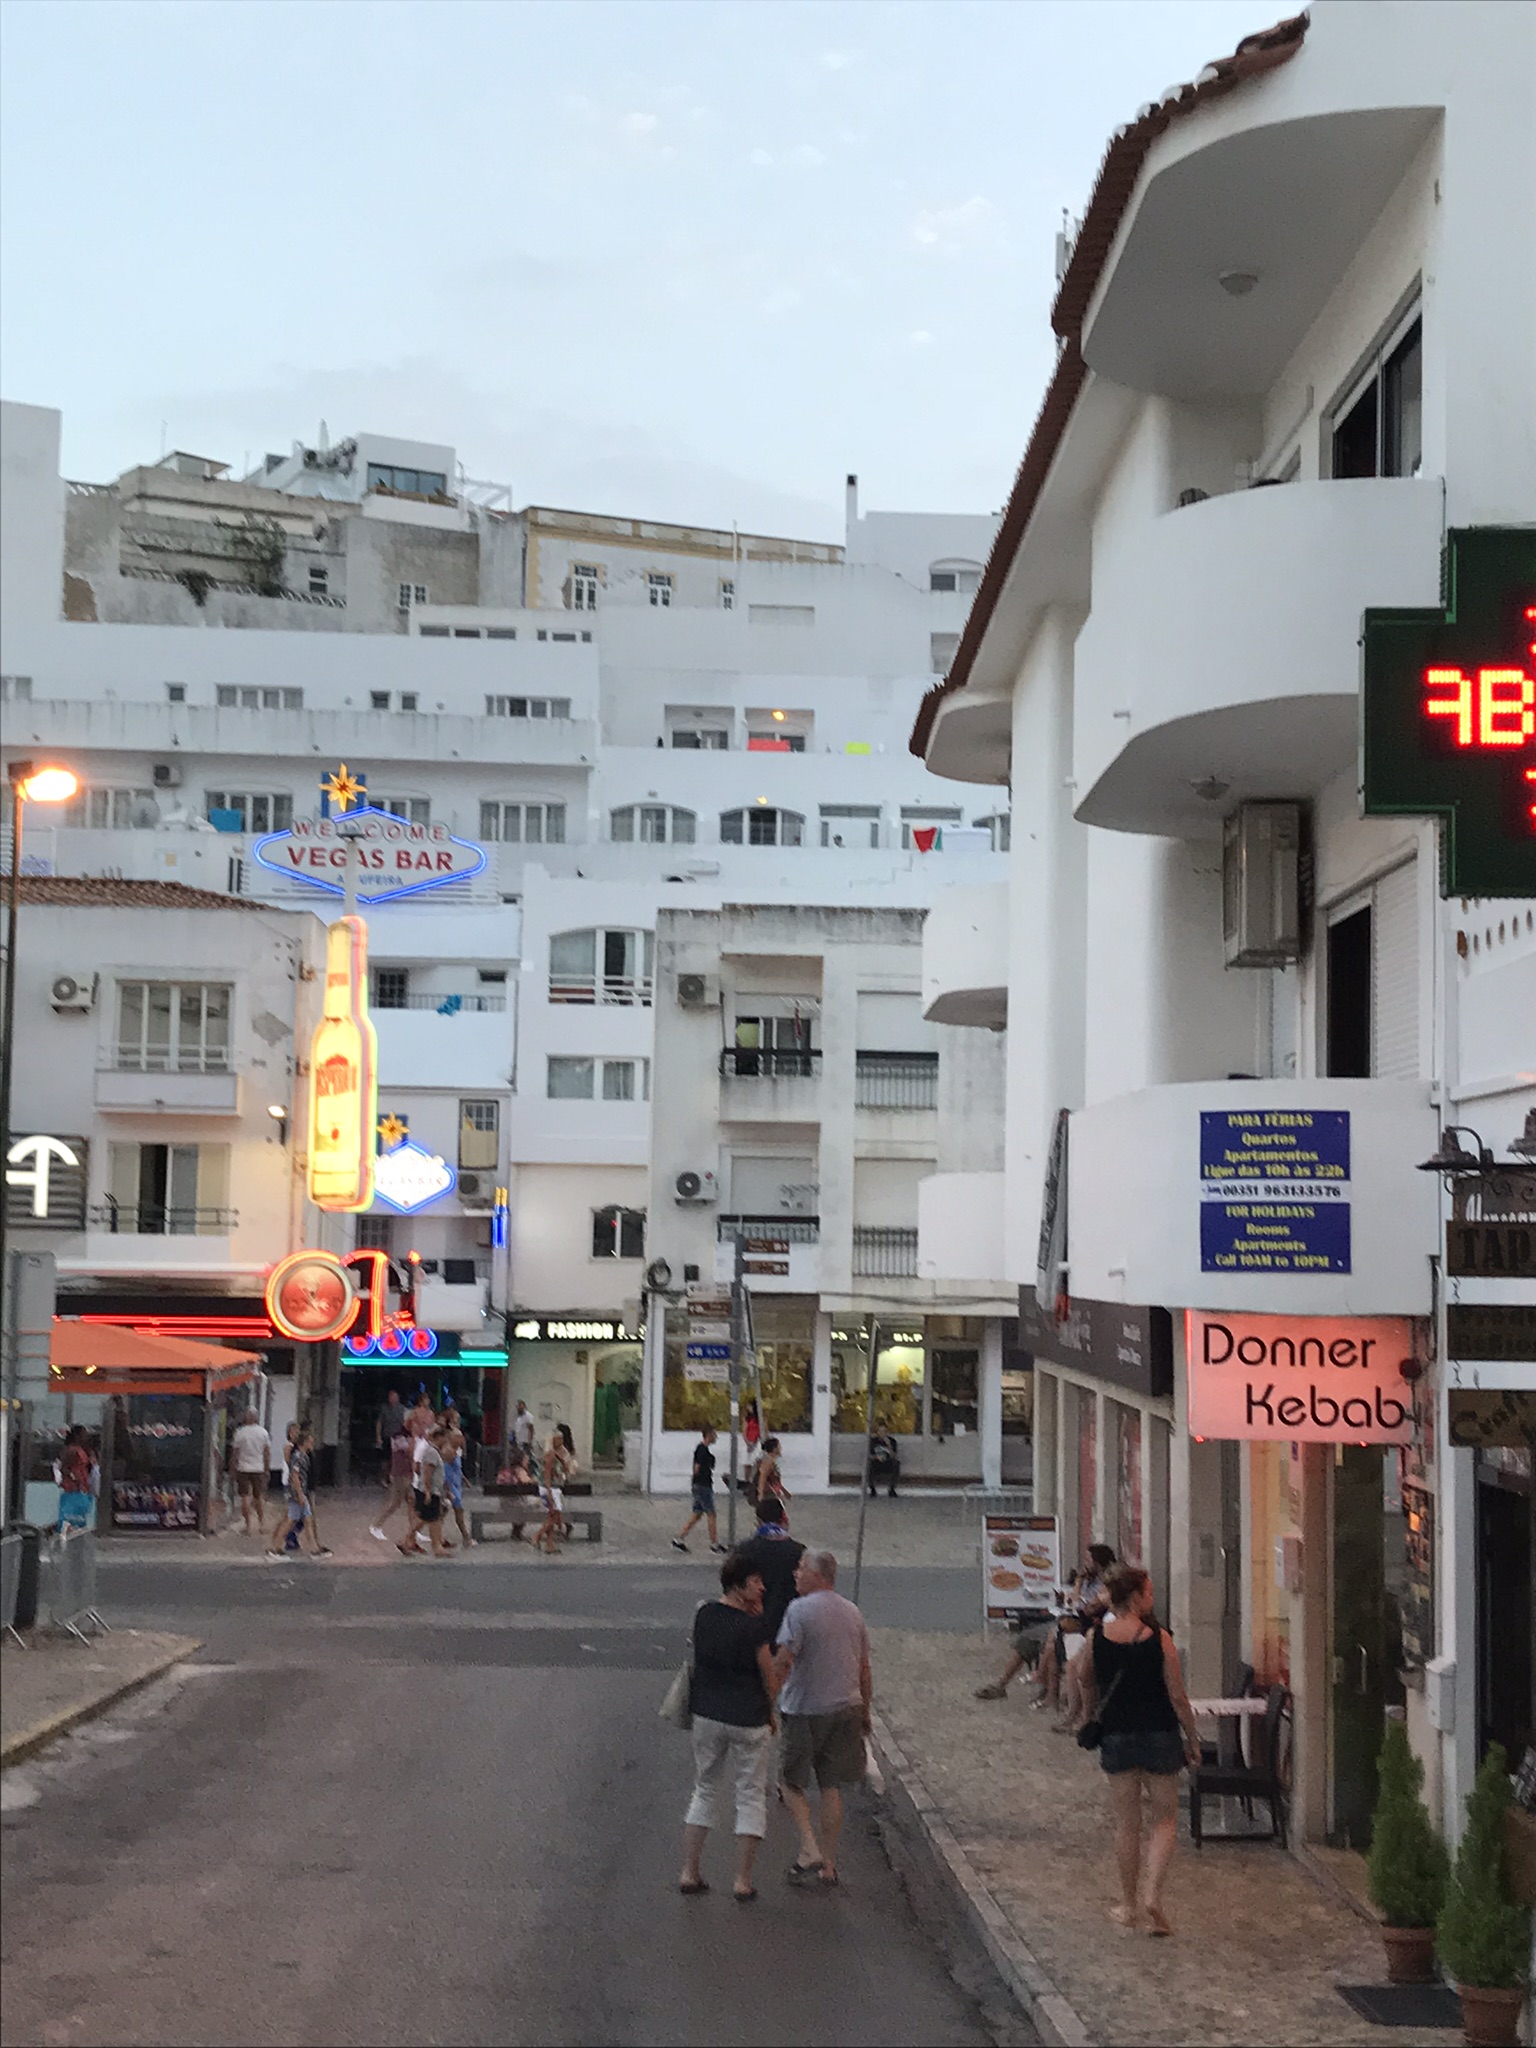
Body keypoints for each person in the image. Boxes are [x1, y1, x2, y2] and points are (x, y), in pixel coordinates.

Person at [1079, 1563, 1202, 1937]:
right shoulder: (1159, 1638)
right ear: (1135, 1597)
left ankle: (1128, 1904)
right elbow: (1178, 1696)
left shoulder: (1097, 1637)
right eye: (1148, 1592)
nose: (1152, 1597)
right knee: (1165, 1818)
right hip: (1160, 1734)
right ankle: (1153, 1896)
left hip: (1116, 1735)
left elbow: (1084, 1678)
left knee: (1127, 1822)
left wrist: (1090, 1713)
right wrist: (1192, 1739)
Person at [679, 1550, 780, 1902]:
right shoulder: (755, 1628)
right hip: (748, 1718)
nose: (762, 1587)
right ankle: (742, 1880)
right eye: (756, 1582)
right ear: (739, 1586)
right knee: (750, 1794)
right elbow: (770, 1676)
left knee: (705, 1788)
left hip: (707, 1713)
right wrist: (771, 1710)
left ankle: (690, 1871)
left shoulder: (704, 1613)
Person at [774, 1550, 872, 1889]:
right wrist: (866, 1710)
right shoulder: (853, 1611)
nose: (795, 1573)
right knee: (831, 1786)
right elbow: (864, 1668)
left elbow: (784, 1659)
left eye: (801, 1568)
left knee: (790, 1781)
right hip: (846, 1707)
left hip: (805, 1709)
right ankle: (829, 1864)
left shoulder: (799, 1610)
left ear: (818, 1575)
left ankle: (809, 1848)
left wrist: (769, 1696)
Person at [975, 1540, 1114, 1707]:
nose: (1085, 1563)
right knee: (1025, 1638)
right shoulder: (1087, 1580)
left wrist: (1077, 1587)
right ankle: (1001, 1684)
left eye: (1088, 1560)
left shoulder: (1104, 1583)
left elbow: (1081, 1604)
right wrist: (1077, 1584)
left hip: (1081, 1624)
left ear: (1098, 1563)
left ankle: (1047, 1689)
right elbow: (1073, 1600)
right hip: (1068, 1618)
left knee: (1049, 1642)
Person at [731, 1496, 805, 1643]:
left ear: (758, 1521)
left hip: (752, 1622)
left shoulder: (744, 1550)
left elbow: (732, 1588)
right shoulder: (799, 1552)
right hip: (787, 1624)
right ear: (784, 1517)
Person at [267, 1427, 327, 1557]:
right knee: (291, 1520)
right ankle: (275, 1546)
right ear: (304, 1442)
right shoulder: (298, 1457)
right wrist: (300, 1494)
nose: (312, 1444)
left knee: (307, 1519)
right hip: (297, 1493)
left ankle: (314, 1548)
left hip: (301, 1492)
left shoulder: (304, 1456)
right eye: (310, 1441)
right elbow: (295, 1476)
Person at [398, 1425, 452, 1559]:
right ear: (439, 1437)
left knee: (427, 1518)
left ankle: (408, 1542)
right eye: (445, 1438)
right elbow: (427, 1472)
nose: (446, 1441)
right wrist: (428, 1491)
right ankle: (436, 1546)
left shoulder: (434, 1452)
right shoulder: (431, 1452)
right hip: (430, 1490)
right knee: (431, 1519)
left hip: (433, 1490)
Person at [673, 1426, 727, 1554]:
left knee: (697, 1514)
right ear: (709, 1435)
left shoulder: (703, 1450)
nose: (716, 1437)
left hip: (700, 1485)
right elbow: (697, 1467)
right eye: (714, 1434)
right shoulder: (702, 1450)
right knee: (711, 1513)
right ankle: (714, 1544)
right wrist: (698, 1479)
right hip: (703, 1485)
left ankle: (679, 1539)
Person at [370, 1399, 417, 1543]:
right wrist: (415, 1438)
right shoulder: (398, 1436)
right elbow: (410, 1451)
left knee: (412, 1500)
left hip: (408, 1473)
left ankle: (414, 1530)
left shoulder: (409, 1436)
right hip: (399, 1474)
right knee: (395, 1502)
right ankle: (376, 1525)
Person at [228, 1409, 271, 1535]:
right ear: (256, 1418)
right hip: (258, 1468)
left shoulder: (240, 1432)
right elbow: (267, 1452)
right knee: (259, 1496)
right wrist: (267, 1469)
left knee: (244, 1497)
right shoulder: (263, 1432)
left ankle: (248, 1526)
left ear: (246, 1418)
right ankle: (262, 1524)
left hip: (243, 1468)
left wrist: (232, 1469)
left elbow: (235, 1453)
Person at [533, 1430, 572, 1556]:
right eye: (558, 1439)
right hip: (549, 1488)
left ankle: (550, 1544)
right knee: (554, 1516)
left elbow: (567, 1469)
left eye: (562, 1438)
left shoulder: (560, 1454)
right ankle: (537, 1535)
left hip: (556, 1487)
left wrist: (563, 1458)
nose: (561, 1441)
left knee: (552, 1516)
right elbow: (547, 1474)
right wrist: (549, 1491)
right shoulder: (550, 1455)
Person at [441, 1406, 473, 1550]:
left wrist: (463, 1478)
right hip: (449, 1482)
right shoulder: (448, 1447)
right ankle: (466, 1537)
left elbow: (457, 1467)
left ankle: (440, 1536)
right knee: (456, 1509)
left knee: (446, 1510)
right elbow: (446, 1467)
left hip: (455, 1480)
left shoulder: (454, 1448)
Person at [57, 1425, 97, 1531]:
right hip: (73, 1487)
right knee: (71, 1513)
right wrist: (75, 1479)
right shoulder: (72, 1450)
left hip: (82, 1485)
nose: (86, 1437)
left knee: (80, 1513)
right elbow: (64, 1468)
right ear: (77, 1436)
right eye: (84, 1434)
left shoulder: (81, 1449)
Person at [751, 1436, 789, 1514]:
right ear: (774, 1449)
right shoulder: (767, 1462)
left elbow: (774, 1480)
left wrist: (784, 1491)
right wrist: (761, 1494)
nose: (780, 1448)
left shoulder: (772, 1462)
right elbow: (762, 1477)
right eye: (779, 1446)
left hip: (773, 1493)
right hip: (768, 1495)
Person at [375, 1389, 406, 1479]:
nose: (393, 1399)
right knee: (385, 1458)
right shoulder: (384, 1409)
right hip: (387, 1436)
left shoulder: (402, 1409)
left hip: (399, 1437)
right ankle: (384, 1476)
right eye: (392, 1397)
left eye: (395, 1397)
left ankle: (394, 1476)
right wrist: (378, 1436)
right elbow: (379, 1423)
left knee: (397, 1458)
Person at [867, 1428, 901, 1500]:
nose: (882, 1433)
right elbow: (869, 1455)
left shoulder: (892, 1441)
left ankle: (892, 1489)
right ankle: (872, 1488)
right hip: (876, 1461)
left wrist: (889, 1445)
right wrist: (876, 1457)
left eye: (884, 1431)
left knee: (896, 1463)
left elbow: (894, 1455)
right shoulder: (873, 1441)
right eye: (880, 1431)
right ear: (877, 1432)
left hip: (888, 1461)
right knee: (869, 1465)